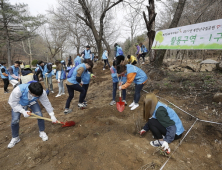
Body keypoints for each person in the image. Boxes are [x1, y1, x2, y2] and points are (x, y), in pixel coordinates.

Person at [7, 82, 58, 148]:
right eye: (36, 95)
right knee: (15, 120)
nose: (37, 97)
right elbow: (13, 103)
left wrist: (52, 115)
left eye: (38, 96)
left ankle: (41, 132)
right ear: (30, 91)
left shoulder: (42, 92)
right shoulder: (18, 90)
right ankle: (15, 137)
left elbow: (46, 103)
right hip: (19, 104)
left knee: (39, 115)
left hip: (32, 102)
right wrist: (23, 111)